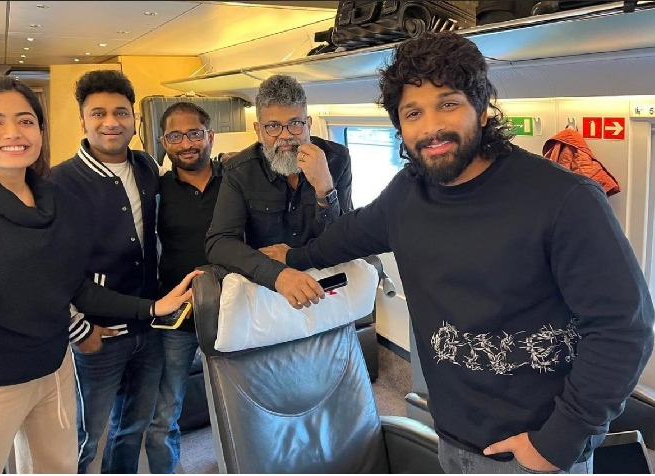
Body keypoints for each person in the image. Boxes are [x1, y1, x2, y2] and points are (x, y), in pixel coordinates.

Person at [265, 32, 655, 473]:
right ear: (399, 126)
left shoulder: (564, 199)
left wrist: (561, 441)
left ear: (482, 108)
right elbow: (346, 236)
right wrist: (290, 260)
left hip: (533, 451)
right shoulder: (405, 196)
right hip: (451, 437)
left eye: (448, 103)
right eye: (413, 113)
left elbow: (623, 328)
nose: (431, 127)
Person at [0, 75, 198, 474]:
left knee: (86, 451)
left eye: (25, 121)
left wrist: (153, 308)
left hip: (61, 363)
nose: (13, 132)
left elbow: (66, 282)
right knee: (85, 439)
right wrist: (81, 329)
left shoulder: (62, 193)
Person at [49, 69, 163, 473]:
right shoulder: (58, 182)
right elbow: (47, 270)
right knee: (87, 437)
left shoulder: (146, 166)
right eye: (98, 113)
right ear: (83, 120)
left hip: (150, 326)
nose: (111, 122)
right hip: (99, 333)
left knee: (132, 429)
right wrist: (80, 331)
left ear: (134, 119)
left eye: (120, 112)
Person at [205, 74, 353, 289]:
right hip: (267, 287)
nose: (285, 136)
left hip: (327, 280)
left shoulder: (337, 159)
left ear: (309, 124)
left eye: (295, 124)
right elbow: (219, 243)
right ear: (258, 131)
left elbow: (345, 238)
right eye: (273, 126)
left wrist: (324, 187)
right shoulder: (239, 171)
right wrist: (277, 274)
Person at [144, 102, 222, 473]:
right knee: (164, 411)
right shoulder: (155, 191)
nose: (186, 143)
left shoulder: (236, 181)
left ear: (210, 136)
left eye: (194, 133)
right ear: (163, 142)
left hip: (231, 308)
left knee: (243, 396)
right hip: (178, 312)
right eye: (175, 136)